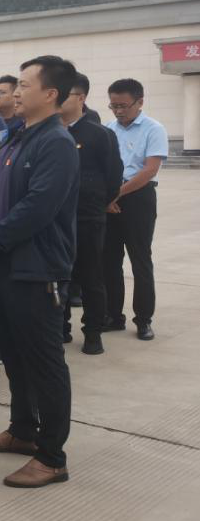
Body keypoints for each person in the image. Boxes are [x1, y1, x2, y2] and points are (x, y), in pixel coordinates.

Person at [0, 55, 79, 489]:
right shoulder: (15, 137)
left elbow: (39, 206)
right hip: (4, 265)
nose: (16, 91)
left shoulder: (56, 143)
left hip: (36, 269)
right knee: (13, 355)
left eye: (25, 85)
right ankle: (22, 430)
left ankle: (52, 456)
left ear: (50, 94)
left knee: (44, 363)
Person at [59, 74, 123, 354]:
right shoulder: (49, 131)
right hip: (55, 219)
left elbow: (113, 177)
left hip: (88, 217)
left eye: (66, 94)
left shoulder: (100, 134)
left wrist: (98, 203)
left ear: (81, 98)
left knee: (91, 277)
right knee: (58, 275)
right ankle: (60, 328)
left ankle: (93, 332)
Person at [104, 78, 168, 341]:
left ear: (139, 102)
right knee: (109, 261)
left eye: (123, 106)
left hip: (139, 198)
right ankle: (113, 316)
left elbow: (149, 170)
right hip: (109, 200)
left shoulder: (154, 129)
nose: (118, 111)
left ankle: (143, 320)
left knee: (140, 260)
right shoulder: (108, 129)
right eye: (114, 106)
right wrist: (106, 197)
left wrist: (116, 193)